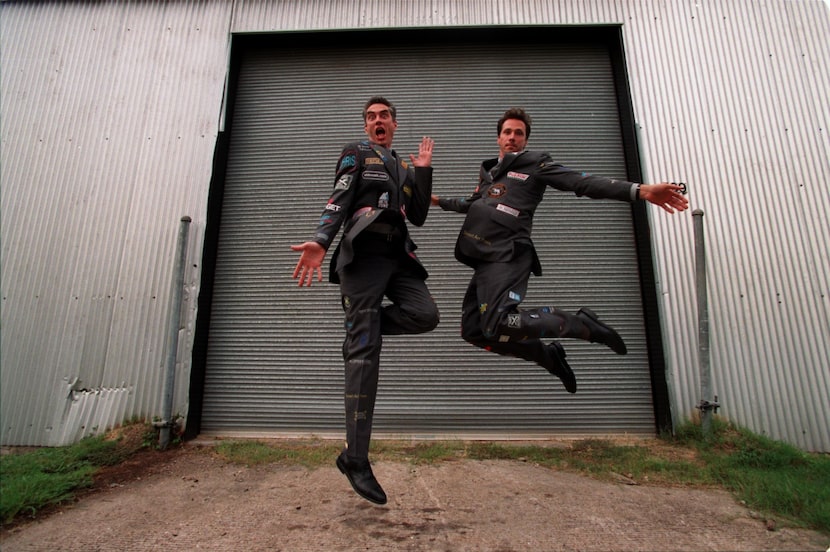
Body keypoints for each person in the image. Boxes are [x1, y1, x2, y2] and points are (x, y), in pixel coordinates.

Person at [431, 107, 689, 394]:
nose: (513, 137)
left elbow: (581, 182)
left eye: (519, 133)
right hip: (484, 259)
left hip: (509, 253)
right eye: (507, 132)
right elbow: (472, 203)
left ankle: (580, 324)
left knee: (499, 320)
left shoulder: (535, 164)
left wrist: (640, 190)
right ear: (498, 138)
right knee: (475, 330)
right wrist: (438, 201)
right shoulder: (490, 173)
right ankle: (549, 356)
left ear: (525, 140)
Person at [290, 96, 439, 505]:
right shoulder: (357, 153)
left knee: (426, 314)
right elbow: (338, 198)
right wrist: (321, 239)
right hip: (364, 256)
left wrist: (423, 171)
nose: (378, 121)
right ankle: (355, 458)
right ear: (366, 125)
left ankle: (362, 326)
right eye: (371, 116)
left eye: (384, 116)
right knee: (364, 357)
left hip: (399, 257)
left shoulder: (404, 168)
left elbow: (420, 214)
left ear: (394, 124)